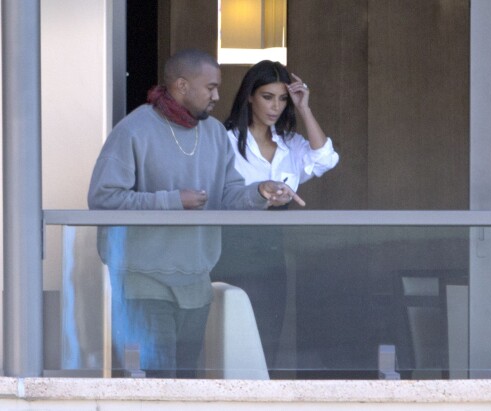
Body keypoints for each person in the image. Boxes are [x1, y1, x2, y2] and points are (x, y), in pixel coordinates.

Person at [87, 49, 303, 378]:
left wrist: (259, 193)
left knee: (187, 383)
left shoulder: (216, 133)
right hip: (143, 280)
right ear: (182, 85)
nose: (218, 96)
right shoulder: (134, 130)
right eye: (211, 87)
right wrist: (173, 201)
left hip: (196, 281)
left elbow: (228, 196)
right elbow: (103, 199)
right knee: (157, 385)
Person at [211, 60, 339, 373]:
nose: (276, 106)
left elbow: (326, 159)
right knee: (225, 337)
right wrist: (260, 192)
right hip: (228, 248)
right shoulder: (225, 140)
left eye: (282, 99)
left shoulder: (290, 145)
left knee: (266, 339)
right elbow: (217, 195)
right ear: (250, 96)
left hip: (271, 255)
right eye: (268, 97)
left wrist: (304, 107)